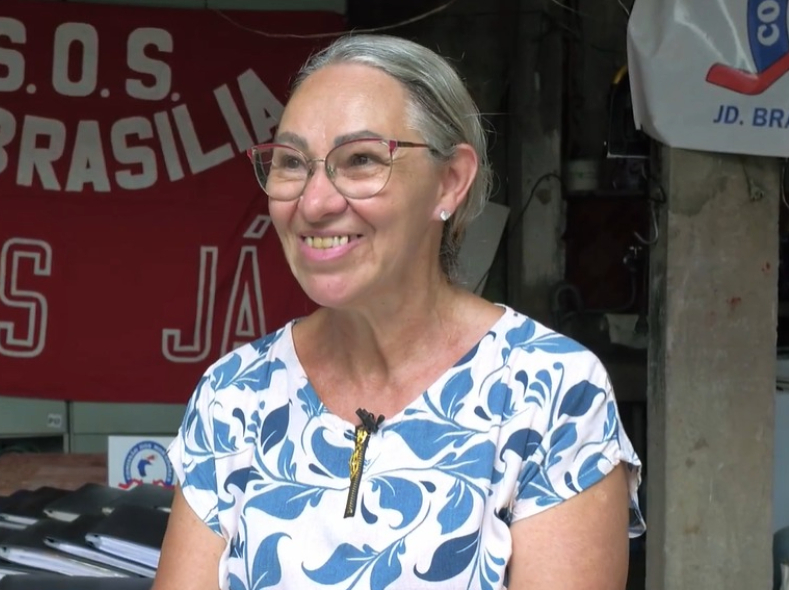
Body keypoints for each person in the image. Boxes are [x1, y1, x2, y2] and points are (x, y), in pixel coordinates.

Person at [154, 34, 645, 590]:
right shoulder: (235, 395)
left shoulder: (550, 392)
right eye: (292, 163)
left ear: (450, 181)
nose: (314, 203)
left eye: (360, 160)